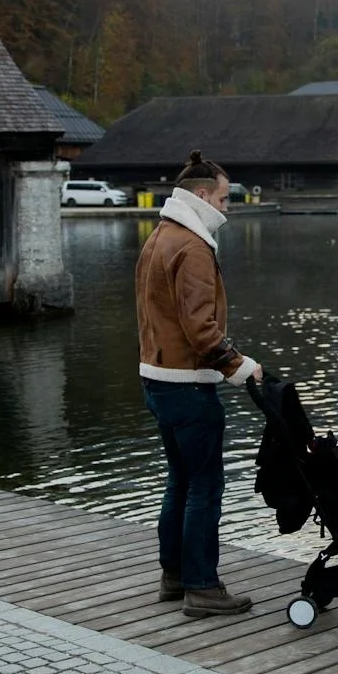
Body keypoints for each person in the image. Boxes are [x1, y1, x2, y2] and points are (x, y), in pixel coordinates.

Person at [137, 151, 262, 617]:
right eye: (225, 199)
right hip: (188, 385)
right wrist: (241, 366)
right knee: (204, 489)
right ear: (203, 195)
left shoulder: (160, 237)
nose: (228, 208)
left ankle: (174, 576)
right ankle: (203, 587)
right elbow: (200, 328)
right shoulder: (192, 247)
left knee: (180, 482)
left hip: (157, 378)